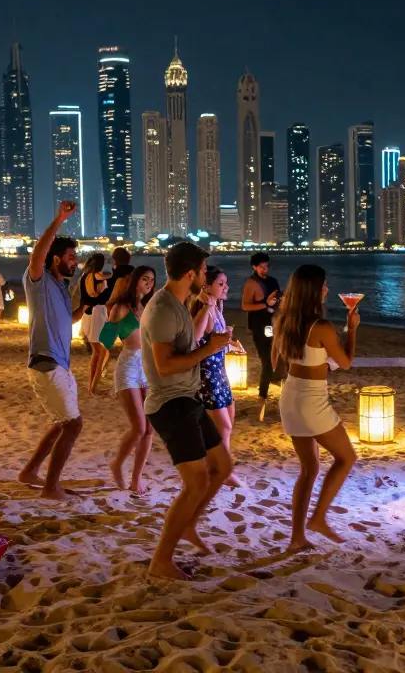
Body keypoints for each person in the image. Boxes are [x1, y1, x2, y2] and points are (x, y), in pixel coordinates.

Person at [141, 242, 234, 579]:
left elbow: (186, 348)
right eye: (205, 271)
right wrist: (208, 348)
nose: (207, 276)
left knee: (222, 466)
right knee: (195, 483)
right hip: (170, 403)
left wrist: (210, 345)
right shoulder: (164, 308)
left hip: (188, 398)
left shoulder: (179, 305)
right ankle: (161, 561)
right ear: (191, 273)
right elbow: (165, 365)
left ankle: (189, 525)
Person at [272, 264, 359, 552]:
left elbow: (287, 362)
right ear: (312, 290)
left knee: (309, 469)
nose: (327, 289)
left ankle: (297, 538)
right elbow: (345, 362)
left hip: (290, 395)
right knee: (346, 458)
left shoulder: (284, 320)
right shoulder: (320, 327)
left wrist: (320, 361)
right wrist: (353, 329)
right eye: (323, 285)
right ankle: (319, 517)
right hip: (311, 400)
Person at [18, 200, 85, 500]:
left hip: (60, 365)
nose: (75, 261)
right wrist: (59, 219)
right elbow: (37, 254)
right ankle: (50, 487)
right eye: (71, 257)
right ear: (55, 259)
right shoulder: (38, 280)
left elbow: (66, 319)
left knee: (61, 423)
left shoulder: (59, 287)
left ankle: (30, 471)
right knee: (73, 425)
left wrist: (85, 307)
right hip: (46, 364)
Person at [102, 265, 158, 493]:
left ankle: (136, 478)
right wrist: (112, 318)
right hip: (128, 369)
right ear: (135, 281)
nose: (149, 283)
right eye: (145, 279)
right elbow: (105, 341)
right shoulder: (121, 307)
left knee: (149, 430)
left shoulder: (148, 308)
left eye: (152, 280)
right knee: (138, 428)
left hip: (148, 370)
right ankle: (117, 465)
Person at [191, 266, 245, 488]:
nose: (226, 287)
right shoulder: (203, 310)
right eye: (221, 284)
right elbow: (194, 338)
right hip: (207, 375)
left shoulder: (218, 309)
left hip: (220, 373)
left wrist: (231, 343)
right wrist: (206, 306)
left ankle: (222, 466)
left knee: (229, 421)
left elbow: (216, 340)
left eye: (225, 283)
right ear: (207, 287)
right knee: (223, 426)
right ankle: (220, 469)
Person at [240, 252, 282, 419]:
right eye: (261, 267)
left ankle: (274, 382)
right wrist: (265, 304)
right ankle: (262, 398)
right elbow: (245, 306)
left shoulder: (272, 281)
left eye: (267, 266)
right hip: (259, 326)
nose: (265, 270)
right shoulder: (251, 283)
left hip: (274, 324)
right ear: (254, 267)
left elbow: (278, 300)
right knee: (266, 361)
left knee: (276, 358)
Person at [78, 252, 113, 395]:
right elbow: (106, 280)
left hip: (88, 314)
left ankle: (91, 385)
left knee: (96, 352)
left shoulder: (84, 277)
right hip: (98, 314)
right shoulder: (98, 277)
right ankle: (94, 387)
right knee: (102, 351)